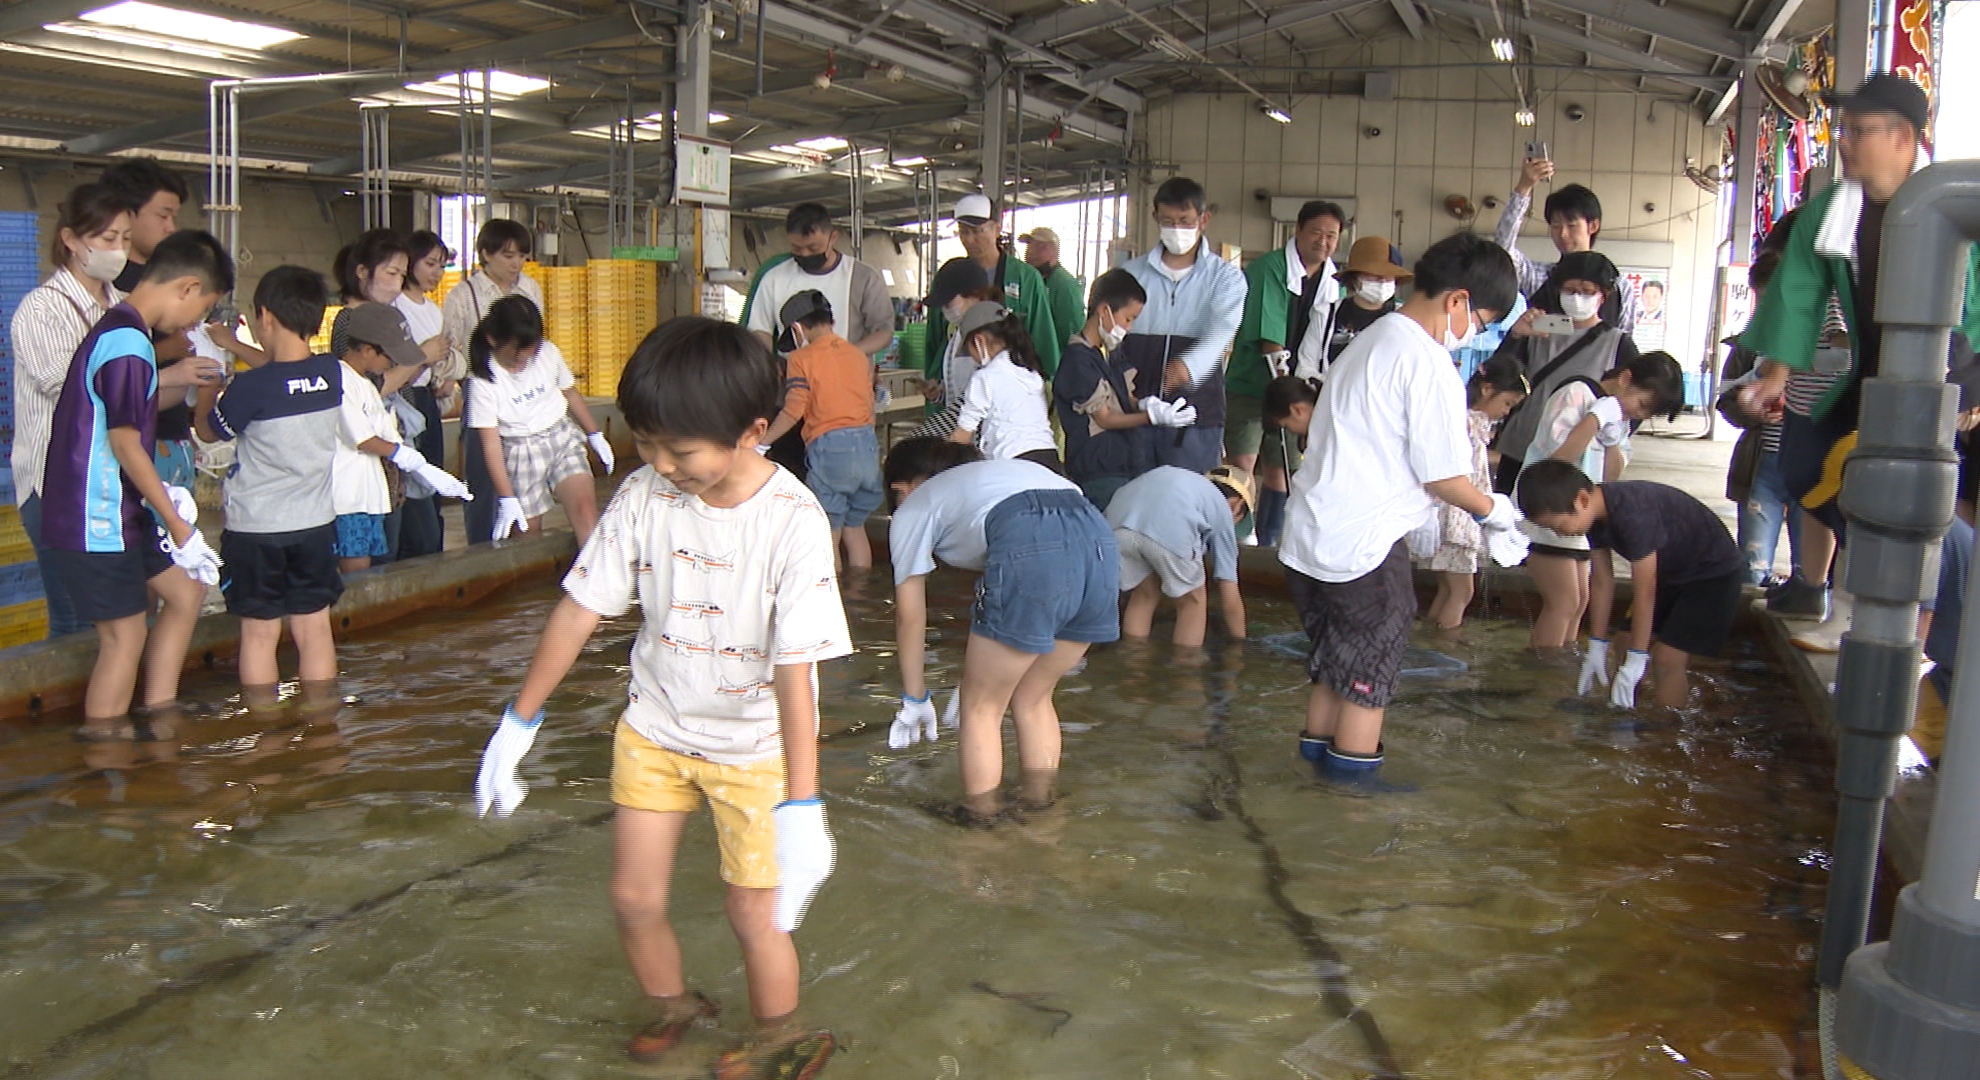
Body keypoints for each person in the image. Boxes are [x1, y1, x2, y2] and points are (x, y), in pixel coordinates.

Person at [472, 317, 848, 1075]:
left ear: (750, 429)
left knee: (756, 913)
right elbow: (581, 607)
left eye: (679, 450)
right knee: (634, 899)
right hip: (656, 729)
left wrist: (803, 805)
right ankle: (677, 1002)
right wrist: (518, 723)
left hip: (753, 750)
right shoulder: (645, 495)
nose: (660, 465)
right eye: (646, 445)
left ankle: (783, 1034)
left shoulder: (794, 522)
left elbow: (795, 672)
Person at [1742, 73, 1980, 653]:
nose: (1843, 141)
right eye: (1842, 130)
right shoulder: (1832, 208)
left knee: (1919, 497)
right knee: (1806, 469)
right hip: (1865, 372)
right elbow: (1797, 289)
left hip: (1948, 370)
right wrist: (1775, 372)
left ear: (1904, 137)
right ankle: (1858, 599)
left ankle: (1915, 623)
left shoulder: (1952, 198)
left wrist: (1969, 391)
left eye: (1857, 130)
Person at [1278, 232, 1521, 792]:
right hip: (1364, 546)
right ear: (1457, 300)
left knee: (1332, 669)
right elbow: (1443, 475)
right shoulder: (1426, 358)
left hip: (1310, 538)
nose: (1476, 334)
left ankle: (1310, 782)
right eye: (1482, 320)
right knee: (1368, 677)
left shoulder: (1371, 338)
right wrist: (1494, 513)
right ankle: (1352, 801)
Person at [39, 230, 229, 739]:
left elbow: (133, 410)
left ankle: (159, 712)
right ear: (187, 288)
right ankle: (106, 753)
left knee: (186, 591)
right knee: (123, 637)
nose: (193, 324)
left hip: (122, 511)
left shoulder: (125, 333)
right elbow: (125, 441)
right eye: (200, 309)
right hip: (94, 517)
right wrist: (176, 522)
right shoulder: (127, 341)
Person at [884, 436, 1119, 822]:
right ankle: (1040, 811)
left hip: (1028, 534)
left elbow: (909, 615)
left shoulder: (916, 506)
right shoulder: (993, 476)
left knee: (981, 707)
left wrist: (914, 697)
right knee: (1034, 697)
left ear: (900, 487)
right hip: (1097, 540)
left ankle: (981, 820)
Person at [194, 266, 346, 694]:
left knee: (260, 636)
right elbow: (285, 376)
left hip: (257, 530)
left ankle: (266, 735)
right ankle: (321, 730)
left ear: (265, 316)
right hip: (315, 526)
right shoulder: (330, 373)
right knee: (315, 630)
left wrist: (209, 388)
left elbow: (209, 431)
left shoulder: (249, 388)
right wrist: (236, 344)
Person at [10, 183, 137, 638]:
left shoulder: (121, 307)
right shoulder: (42, 309)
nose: (118, 250)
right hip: (58, 487)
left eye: (124, 238)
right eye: (106, 239)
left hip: (112, 486)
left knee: (118, 618)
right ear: (70, 239)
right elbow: (63, 386)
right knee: (78, 621)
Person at [1518, 460, 1745, 711]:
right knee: (1624, 642)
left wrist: (1639, 656)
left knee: (1666, 659)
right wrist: (1597, 642)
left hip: (1712, 575)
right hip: (1672, 573)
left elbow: (1645, 591)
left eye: (1559, 526)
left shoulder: (1633, 513)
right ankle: (1629, 705)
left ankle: (1665, 730)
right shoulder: (1593, 514)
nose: (1559, 535)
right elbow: (1602, 581)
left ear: (1581, 500)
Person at [1516, 351, 1686, 651]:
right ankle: (1538, 675)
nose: (1641, 415)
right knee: (1563, 602)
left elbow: (1610, 476)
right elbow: (1558, 462)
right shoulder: (1576, 394)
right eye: (1643, 405)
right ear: (1625, 378)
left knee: (1580, 600)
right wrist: (1594, 420)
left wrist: (1611, 437)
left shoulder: (1617, 416)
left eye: (1649, 414)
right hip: (1550, 512)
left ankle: (1559, 667)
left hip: (1582, 519)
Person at [744, 203, 897, 479]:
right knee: (789, 470)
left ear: (832, 237)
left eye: (813, 249)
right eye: (797, 249)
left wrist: (841, 355)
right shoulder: (775, 277)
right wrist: (768, 364)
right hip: (791, 387)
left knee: (837, 480)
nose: (804, 255)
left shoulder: (861, 277)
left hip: (844, 400)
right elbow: (760, 329)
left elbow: (884, 330)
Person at [99, 157, 222, 494]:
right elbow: (98, 376)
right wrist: (166, 353)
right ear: (126, 213)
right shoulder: (108, 290)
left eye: (174, 217)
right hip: (128, 445)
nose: (170, 227)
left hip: (171, 436)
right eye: (162, 215)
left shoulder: (161, 275)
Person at [1229, 201, 1346, 546]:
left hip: (1297, 389)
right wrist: (1287, 386)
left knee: (1283, 463)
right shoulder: (1269, 267)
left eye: (1332, 236)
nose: (1323, 242)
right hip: (1252, 384)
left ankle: (1273, 537)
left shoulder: (1332, 279)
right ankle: (1237, 537)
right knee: (1244, 463)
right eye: (1316, 233)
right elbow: (1270, 336)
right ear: (1296, 231)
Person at [1120, 177, 1249, 472]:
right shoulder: (1131, 274)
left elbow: (1222, 331)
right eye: (1168, 221)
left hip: (1196, 415)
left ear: (1203, 220)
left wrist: (1188, 366)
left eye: (1184, 220)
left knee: (1188, 499)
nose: (1176, 229)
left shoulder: (1225, 277)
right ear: (1155, 218)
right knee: (1131, 498)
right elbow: (1115, 338)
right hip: (1136, 410)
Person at [332, 304, 472, 573]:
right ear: (368, 350)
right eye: (391, 356)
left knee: (376, 565)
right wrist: (402, 454)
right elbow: (362, 437)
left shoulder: (366, 384)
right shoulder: (340, 379)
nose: (394, 364)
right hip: (348, 499)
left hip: (371, 496)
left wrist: (426, 469)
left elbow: (387, 431)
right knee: (357, 571)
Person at [1489, 251, 1641, 494]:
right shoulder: (1536, 332)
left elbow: (1636, 402)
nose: (1577, 297)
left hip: (1576, 460)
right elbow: (1497, 376)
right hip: (1521, 446)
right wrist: (1516, 335)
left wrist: (1609, 436)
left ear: (1604, 296)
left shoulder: (1618, 344)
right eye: (1569, 289)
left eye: (1587, 291)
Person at [464, 296, 611, 546]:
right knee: (527, 534)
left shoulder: (547, 352)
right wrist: (506, 496)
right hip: (520, 449)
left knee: (586, 512)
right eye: (517, 351)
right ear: (492, 339)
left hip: (560, 436)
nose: (525, 358)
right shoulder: (483, 382)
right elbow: (490, 443)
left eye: (531, 349)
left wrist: (595, 434)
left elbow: (569, 392)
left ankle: (594, 581)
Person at [761, 290, 885, 570]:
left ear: (796, 328)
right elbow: (869, 406)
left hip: (831, 450)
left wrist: (761, 444)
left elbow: (794, 409)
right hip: (867, 447)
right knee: (856, 528)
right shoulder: (857, 355)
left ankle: (837, 599)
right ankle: (861, 599)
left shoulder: (801, 358)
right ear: (832, 320)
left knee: (828, 530)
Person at [442, 219, 545, 543]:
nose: (516, 264)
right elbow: (451, 346)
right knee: (484, 473)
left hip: (524, 390)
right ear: (485, 254)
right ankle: (482, 547)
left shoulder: (530, 289)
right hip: (482, 388)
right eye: (508, 255)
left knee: (526, 470)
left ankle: (523, 542)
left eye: (522, 257)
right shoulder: (463, 295)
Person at [1054, 268, 1192, 509]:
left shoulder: (1111, 351)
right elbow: (1105, 418)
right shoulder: (1078, 360)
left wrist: (1147, 404)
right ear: (1104, 310)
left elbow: (1126, 397)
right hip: (1099, 471)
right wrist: (1150, 417)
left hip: (1127, 463)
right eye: (1128, 318)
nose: (1128, 327)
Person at [1421, 355, 1529, 630]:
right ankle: (1446, 646)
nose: (1506, 411)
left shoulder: (1465, 420)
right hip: (1459, 516)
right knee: (1462, 592)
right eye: (1506, 403)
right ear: (1486, 389)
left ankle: (1432, 637)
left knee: (1448, 589)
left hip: (1452, 513)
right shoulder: (1469, 424)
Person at [1716, 248, 1798, 588]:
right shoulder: (1749, 343)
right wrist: (1748, 409)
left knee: (1812, 567)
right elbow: (1726, 398)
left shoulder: (1825, 338)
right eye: (1761, 298)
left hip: (1812, 463)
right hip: (1761, 462)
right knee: (1752, 565)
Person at [919, 194, 1061, 381]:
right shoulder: (948, 276)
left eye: (977, 231)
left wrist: (1047, 386)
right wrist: (934, 379)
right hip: (958, 386)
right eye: (964, 231)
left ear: (997, 229)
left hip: (1010, 385)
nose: (970, 239)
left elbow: (1043, 338)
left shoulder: (1026, 278)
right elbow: (935, 339)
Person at [1107, 465, 1251, 648]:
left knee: (1145, 594)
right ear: (1237, 504)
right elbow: (1228, 589)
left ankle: (1134, 661)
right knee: (1192, 602)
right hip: (1168, 530)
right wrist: (1240, 644)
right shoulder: (1222, 508)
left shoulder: (1187, 483)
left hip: (1118, 525)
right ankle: (1186, 670)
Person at [1492, 159, 1641, 333]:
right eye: (1555, 225)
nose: (1562, 234)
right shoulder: (1540, 277)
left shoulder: (1620, 287)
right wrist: (1524, 187)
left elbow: (1624, 343)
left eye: (1571, 225)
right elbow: (1502, 250)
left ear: (1593, 226)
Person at [392, 230, 457, 558]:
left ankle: (433, 549)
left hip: (426, 398)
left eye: (441, 266)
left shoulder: (433, 309)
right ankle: (413, 548)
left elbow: (438, 357)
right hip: (404, 396)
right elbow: (401, 362)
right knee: (412, 479)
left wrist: (441, 378)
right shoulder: (396, 305)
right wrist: (424, 358)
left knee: (432, 474)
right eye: (430, 263)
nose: (436, 272)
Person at [948, 302, 1062, 472]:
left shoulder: (985, 377)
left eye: (968, 350)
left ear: (979, 340)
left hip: (1013, 464)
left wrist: (935, 467)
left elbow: (962, 437)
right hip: (1050, 462)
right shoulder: (1030, 372)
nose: (972, 359)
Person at [1020, 226, 1086, 358]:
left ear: (1054, 251)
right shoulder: (1032, 280)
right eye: (1029, 245)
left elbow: (1071, 330)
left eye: (1040, 246)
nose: (1031, 251)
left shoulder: (1064, 284)